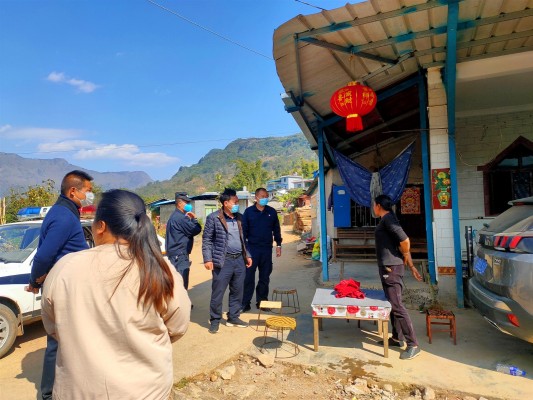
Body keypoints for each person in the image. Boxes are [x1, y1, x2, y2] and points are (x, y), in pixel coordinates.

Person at [41, 189, 191, 399]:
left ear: (101, 226)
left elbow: (53, 326)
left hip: (79, 392)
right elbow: (178, 326)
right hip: (146, 391)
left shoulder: (65, 267)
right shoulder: (159, 269)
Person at [25, 170, 94, 400]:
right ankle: (48, 394)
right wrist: (35, 280)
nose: (90, 196)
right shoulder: (64, 216)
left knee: (66, 341)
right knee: (58, 342)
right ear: (73, 191)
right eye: (88, 191)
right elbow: (44, 255)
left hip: (67, 285)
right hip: (65, 289)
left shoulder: (65, 212)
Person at [373, 194, 423, 360]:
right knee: (392, 304)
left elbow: (405, 241)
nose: (373, 207)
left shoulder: (388, 219)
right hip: (389, 267)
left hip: (391, 268)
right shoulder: (387, 219)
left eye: (374, 205)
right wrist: (412, 266)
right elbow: (399, 244)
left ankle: (413, 344)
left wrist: (408, 256)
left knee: (398, 306)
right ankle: (397, 338)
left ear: (378, 206)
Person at [202, 188, 252, 334]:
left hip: (239, 260)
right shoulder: (213, 218)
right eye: (235, 202)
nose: (237, 204)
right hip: (223, 261)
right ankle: (215, 320)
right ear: (226, 203)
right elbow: (207, 240)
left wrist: (247, 255)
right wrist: (208, 259)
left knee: (237, 290)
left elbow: (243, 240)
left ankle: (233, 317)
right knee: (218, 292)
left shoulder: (240, 218)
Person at [241, 188, 282, 312]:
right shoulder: (248, 212)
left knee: (264, 277)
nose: (265, 198)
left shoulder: (271, 212)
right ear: (256, 197)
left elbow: (276, 229)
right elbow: (243, 232)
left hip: (266, 249)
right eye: (262, 196)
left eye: (266, 196)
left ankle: (262, 302)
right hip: (252, 249)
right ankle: (245, 303)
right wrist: (245, 251)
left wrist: (278, 245)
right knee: (248, 277)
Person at [166, 192, 202, 290]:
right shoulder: (180, 218)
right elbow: (195, 229)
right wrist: (194, 219)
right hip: (180, 255)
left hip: (176, 254)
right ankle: (182, 300)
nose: (189, 205)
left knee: (177, 282)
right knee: (181, 283)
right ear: (179, 203)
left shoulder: (175, 216)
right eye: (186, 202)